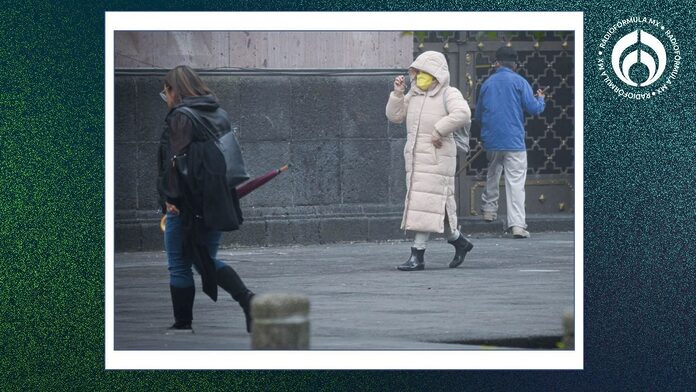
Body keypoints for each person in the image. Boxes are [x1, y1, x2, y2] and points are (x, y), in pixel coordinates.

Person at [156, 65, 254, 333]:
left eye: (166, 91)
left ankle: (183, 324)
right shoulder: (219, 113)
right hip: (216, 200)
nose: (166, 97)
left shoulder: (180, 117)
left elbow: (175, 162)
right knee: (205, 260)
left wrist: (170, 199)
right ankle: (249, 301)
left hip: (185, 203)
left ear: (174, 90)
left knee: (179, 263)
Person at [385, 51, 474, 271]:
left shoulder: (448, 93)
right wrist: (397, 94)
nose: (420, 76)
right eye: (418, 72)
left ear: (437, 74)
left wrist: (439, 129)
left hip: (437, 158)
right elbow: (395, 116)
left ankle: (417, 255)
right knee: (433, 206)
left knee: (423, 204)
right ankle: (459, 241)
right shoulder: (413, 94)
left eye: (425, 72)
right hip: (416, 160)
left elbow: (463, 113)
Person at [475, 46, 546, 238]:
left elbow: (479, 114)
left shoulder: (487, 84)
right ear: (515, 65)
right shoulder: (520, 82)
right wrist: (541, 99)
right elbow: (533, 109)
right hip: (514, 141)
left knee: (493, 172)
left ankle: (489, 210)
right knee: (515, 182)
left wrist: (488, 132)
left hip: (492, 139)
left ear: (497, 63)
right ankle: (517, 225)